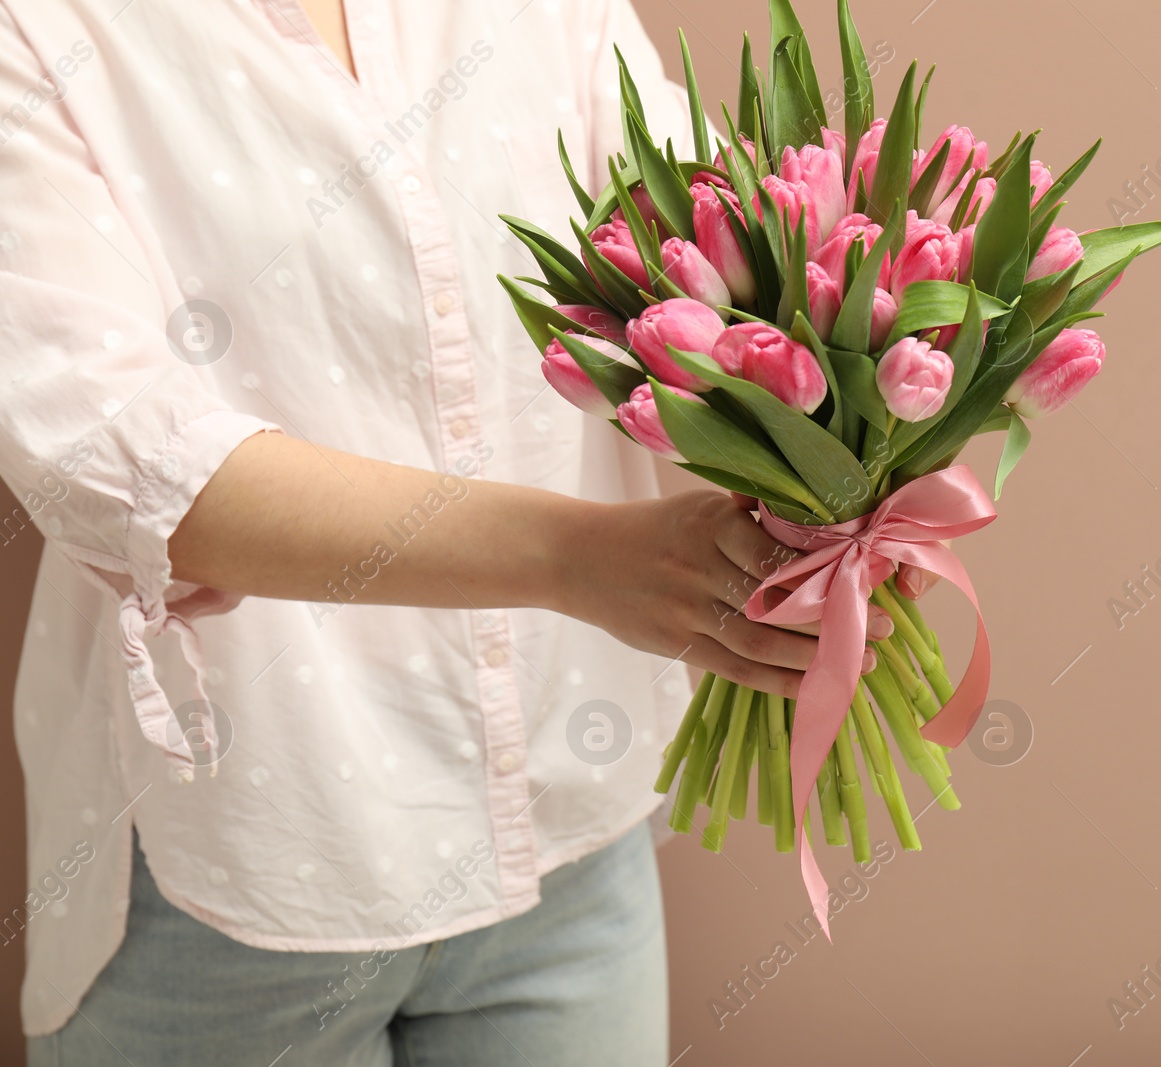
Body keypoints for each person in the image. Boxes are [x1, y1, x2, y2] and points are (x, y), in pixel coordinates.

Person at [0, 1, 923, 1063]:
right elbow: (116, 455)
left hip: (568, 827)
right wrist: (579, 559)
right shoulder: (44, 25)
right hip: (237, 861)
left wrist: (854, 483)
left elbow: (716, 262)